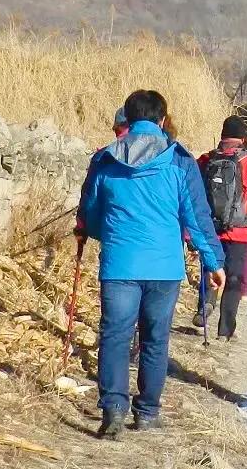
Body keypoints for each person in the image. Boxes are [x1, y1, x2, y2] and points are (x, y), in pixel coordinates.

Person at [75, 89, 225, 438]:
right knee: (155, 339)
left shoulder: (105, 160)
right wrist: (213, 261)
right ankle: (147, 412)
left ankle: (113, 410)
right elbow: (197, 218)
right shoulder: (179, 161)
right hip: (164, 268)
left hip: (119, 265)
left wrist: (93, 232)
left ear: (126, 119)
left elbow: (90, 211)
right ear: (162, 119)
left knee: (115, 336)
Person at [198, 116, 247, 339]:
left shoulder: (206, 159)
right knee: (233, 278)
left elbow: (192, 192)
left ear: (222, 134)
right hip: (240, 231)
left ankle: (205, 304)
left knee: (210, 267)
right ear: (243, 138)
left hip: (210, 228)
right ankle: (225, 330)